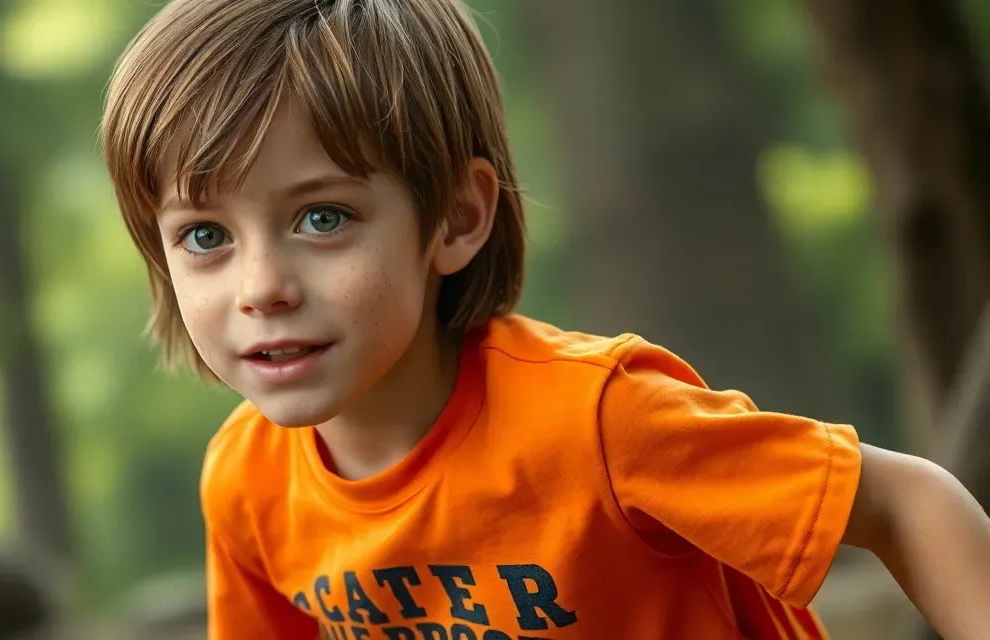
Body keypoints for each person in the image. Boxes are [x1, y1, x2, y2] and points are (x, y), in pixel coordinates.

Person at [98, 0, 990, 638]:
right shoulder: (246, 484)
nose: (262, 286)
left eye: (322, 218)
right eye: (205, 234)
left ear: (455, 219)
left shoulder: (599, 422)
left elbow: (910, 504)